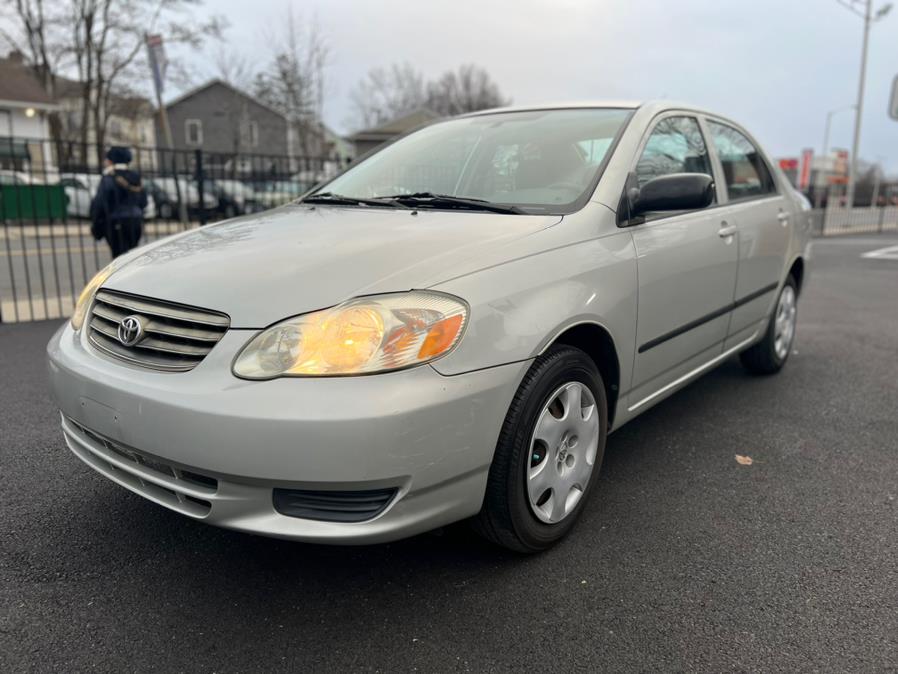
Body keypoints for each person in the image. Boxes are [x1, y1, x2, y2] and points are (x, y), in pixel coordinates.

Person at [90, 146, 147, 258]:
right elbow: (143, 201)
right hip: (135, 221)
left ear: (111, 160)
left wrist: (96, 223)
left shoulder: (109, 177)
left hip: (116, 223)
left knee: (119, 259)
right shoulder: (136, 177)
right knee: (132, 257)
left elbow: (100, 203)